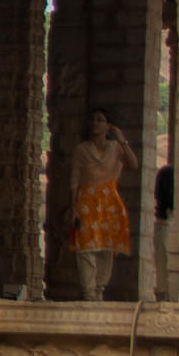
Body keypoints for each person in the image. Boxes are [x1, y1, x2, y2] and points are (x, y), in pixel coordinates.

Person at [69, 110, 139, 302]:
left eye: (100, 120)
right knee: (85, 248)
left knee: (106, 248)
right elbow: (74, 180)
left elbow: (133, 163)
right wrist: (73, 207)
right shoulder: (82, 149)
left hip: (109, 202)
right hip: (86, 201)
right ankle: (89, 292)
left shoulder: (115, 148)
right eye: (92, 120)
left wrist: (121, 139)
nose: (95, 123)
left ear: (108, 125)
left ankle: (99, 290)